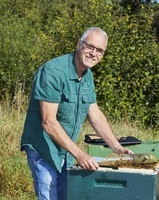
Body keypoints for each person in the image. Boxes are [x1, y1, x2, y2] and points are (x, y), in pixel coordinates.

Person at [20, 27, 133, 200]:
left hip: (66, 151)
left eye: (99, 50)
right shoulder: (53, 71)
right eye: (90, 46)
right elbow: (48, 122)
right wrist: (80, 154)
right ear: (79, 44)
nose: (93, 53)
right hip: (43, 149)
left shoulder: (87, 76)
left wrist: (117, 148)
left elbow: (95, 113)